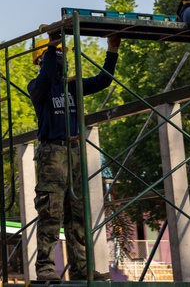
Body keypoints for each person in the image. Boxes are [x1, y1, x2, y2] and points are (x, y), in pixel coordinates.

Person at [28, 33, 120, 282]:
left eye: (62, 56)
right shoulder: (37, 87)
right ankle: (46, 266)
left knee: (77, 212)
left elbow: (103, 80)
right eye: (57, 56)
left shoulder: (72, 86)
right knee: (51, 212)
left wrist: (112, 50)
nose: (62, 61)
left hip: (75, 151)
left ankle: (81, 267)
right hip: (53, 153)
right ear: (43, 59)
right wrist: (51, 45)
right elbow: (47, 77)